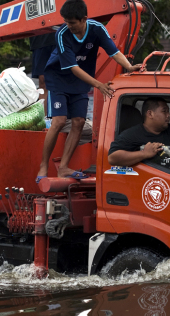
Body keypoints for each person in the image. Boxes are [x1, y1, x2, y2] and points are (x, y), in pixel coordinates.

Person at [36, 0, 143, 182]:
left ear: (84, 19)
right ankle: (43, 165)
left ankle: (64, 168)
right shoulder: (62, 34)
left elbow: (114, 52)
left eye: (72, 22)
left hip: (79, 81)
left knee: (78, 121)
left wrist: (129, 67)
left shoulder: (97, 29)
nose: (68, 26)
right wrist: (99, 85)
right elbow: (73, 67)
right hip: (59, 78)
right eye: (66, 22)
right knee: (60, 121)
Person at [108, 97, 170, 175]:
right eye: (164, 111)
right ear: (150, 114)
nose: (168, 115)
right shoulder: (132, 135)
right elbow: (112, 158)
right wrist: (143, 154)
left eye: (168, 111)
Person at [29, 32, 56, 115]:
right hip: (39, 39)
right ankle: (43, 119)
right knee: (43, 81)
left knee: (62, 78)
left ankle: (63, 117)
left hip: (59, 36)